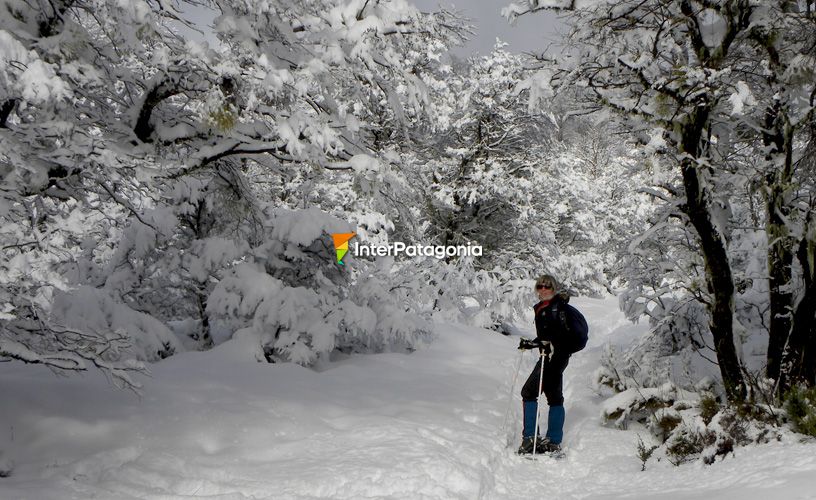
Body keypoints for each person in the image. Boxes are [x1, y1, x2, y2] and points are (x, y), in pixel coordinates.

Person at [516, 274, 588, 455]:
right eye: (540, 286)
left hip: (555, 357)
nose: (543, 289)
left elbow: (564, 336)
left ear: (554, 288)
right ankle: (553, 442)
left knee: (529, 392)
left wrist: (554, 346)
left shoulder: (559, 309)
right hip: (552, 356)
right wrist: (533, 343)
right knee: (554, 396)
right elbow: (546, 337)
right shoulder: (543, 308)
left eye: (547, 286)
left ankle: (530, 439)